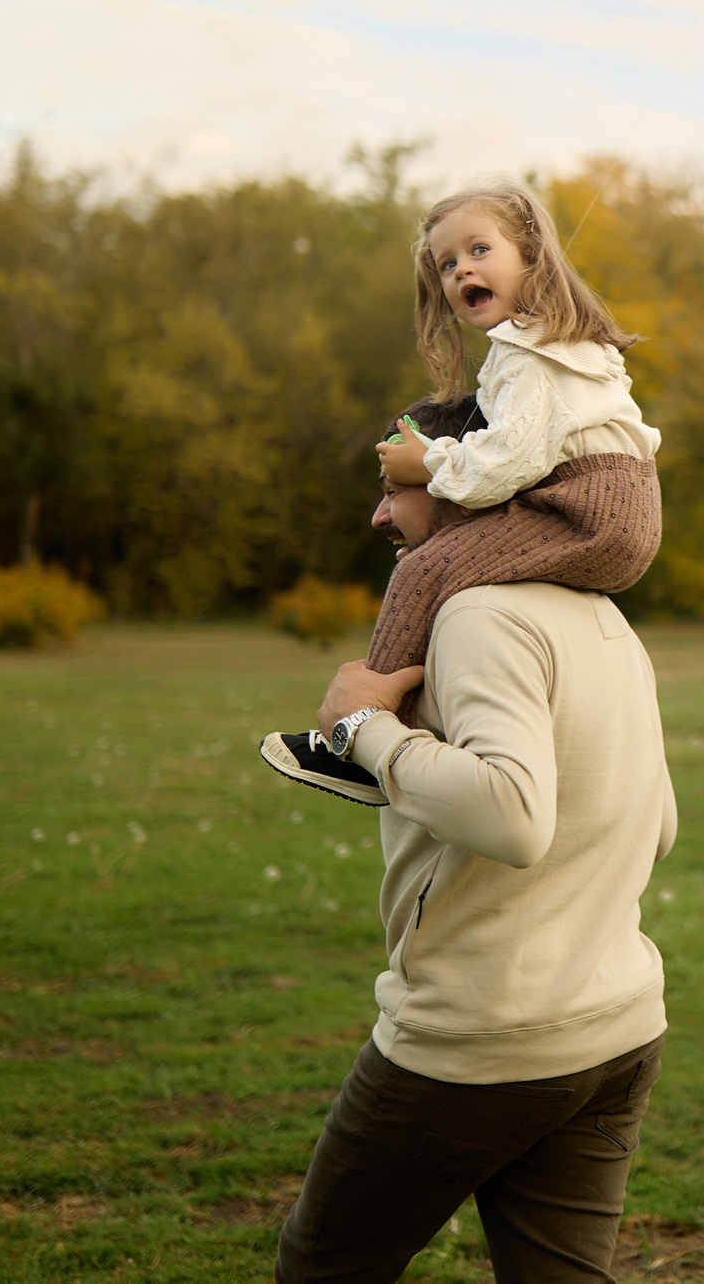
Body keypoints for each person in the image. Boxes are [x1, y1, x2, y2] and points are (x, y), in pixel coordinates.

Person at [274, 406, 676, 1284]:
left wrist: (366, 730)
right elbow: (663, 824)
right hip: (616, 1031)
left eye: (396, 491)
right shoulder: (603, 617)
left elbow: (512, 817)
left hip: (480, 1040)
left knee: (321, 1267)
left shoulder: (478, 614)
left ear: (474, 479)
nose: (381, 515)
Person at [260, 179, 662, 805]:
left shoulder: (534, 355)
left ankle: (365, 733)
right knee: (448, 565)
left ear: (531, 256)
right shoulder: (548, 348)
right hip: (604, 508)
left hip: (587, 511)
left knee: (424, 569)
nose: (461, 270)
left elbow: (508, 463)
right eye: (447, 264)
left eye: (479, 249)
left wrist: (426, 462)